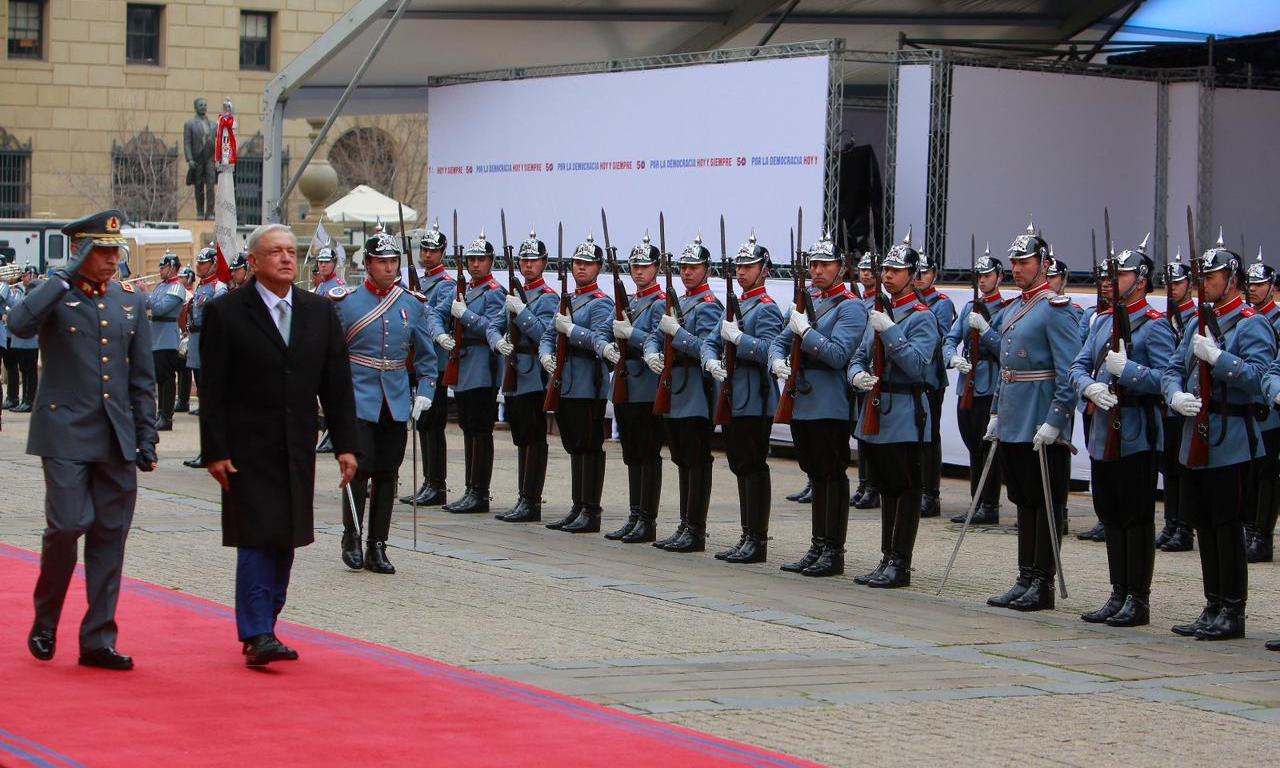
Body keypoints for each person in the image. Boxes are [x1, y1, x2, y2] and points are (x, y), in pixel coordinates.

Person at [199, 223, 358, 666]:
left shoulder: (318, 312)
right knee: (256, 536)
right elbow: (212, 389)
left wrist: (347, 445)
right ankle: (255, 632)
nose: (287, 259)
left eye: (291, 251)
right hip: (246, 446)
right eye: (275, 252)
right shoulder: (227, 313)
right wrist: (215, 449)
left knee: (285, 536)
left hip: (295, 445)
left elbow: (336, 384)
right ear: (253, 261)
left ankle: (267, 619)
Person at [11, 209, 157, 670]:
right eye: (103, 250)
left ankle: (98, 638)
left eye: (116, 250)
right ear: (81, 251)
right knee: (68, 525)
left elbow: (142, 377)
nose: (113, 258)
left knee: (110, 536)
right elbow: (19, 324)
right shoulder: (52, 295)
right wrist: (64, 276)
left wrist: (147, 434)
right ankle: (46, 617)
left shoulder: (128, 302)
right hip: (65, 432)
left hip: (115, 435)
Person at [1166, 232, 1273, 641]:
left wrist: (1220, 358)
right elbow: (1174, 367)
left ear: (1232, 279)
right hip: (1197, 432)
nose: (1204, 282)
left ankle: (1233, 609)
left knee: (1227, 526)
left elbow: (1259, 380)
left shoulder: (1252, 324)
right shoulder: (1197, 320)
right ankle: (1212, 605)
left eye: (1212, 275)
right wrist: (1173, 393)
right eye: (1203, 275)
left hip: (1230, 437)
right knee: (1205, 523)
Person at [1069, 241, 1173, 627]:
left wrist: (1128, 372)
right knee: (1110, 513)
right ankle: (1117, 592)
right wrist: (1088, 386)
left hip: (1136, 432)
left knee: (1136, 515)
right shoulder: (1101, 320)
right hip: (1102, 430)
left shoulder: (1155, 325)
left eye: (1120, 275)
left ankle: (1138, 598)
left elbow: (1167, 379)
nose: (1110, 282)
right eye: (1108, 275)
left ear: (1141, 281)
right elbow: (1077, 365)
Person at [985, 222, 1082, 612]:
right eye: (1014, 261)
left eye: (1024, 261)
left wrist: (1057, 418)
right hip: (1015, 413)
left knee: (1045, 500)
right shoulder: (1016, 307)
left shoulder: (1055, 309)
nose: (1017, 267)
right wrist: (995, 411)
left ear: (1044, 263)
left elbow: (1069, 368)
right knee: (1024, 499)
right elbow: (1006, 367)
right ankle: (1025, 575)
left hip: (1041, 415)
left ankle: (1042, 581)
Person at [329, 231, 436, 573]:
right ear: (368, 264)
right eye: (382, 262)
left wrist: (425, 392)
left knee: (388, 473)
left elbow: (427, 356)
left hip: (395, 398)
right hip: (359, 398)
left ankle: (378, 544)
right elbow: (331, 356)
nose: (389, 268)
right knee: (359, 470)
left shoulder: (411, 303)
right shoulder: (345, 303)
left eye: (394, 262)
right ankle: (353, 537)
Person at [769, 233, 866, 576]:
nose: (818, 270)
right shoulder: (806, 298)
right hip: (803, 400)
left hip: (830, 402)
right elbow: (779, 342)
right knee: (814, 473)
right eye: (813, 264)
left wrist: (806, 332)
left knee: (831, 474)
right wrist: (777, 362)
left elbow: (839, 354)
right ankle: (817, 545)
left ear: (841, 268)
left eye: (825, 264)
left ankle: (833, 550)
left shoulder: (851, 306)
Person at [703, 234, 783, 563]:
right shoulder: (735, 305)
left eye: (748, 266)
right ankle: (746, 534)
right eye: (739, 266)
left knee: (752, 465)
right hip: (734, 395)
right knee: (738, 465)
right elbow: (711, 339)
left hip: (755, 396)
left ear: (764, 270)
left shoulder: (766, 308)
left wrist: (740, 339)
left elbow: (771, 349)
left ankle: (757, 538)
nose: (741, 271)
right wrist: (710, 358)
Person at [642, 236, 722, 552]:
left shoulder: (709, 305)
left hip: (695, 391)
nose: (687, 272)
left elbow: (707, 347)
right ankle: (684, 524)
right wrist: (651, 351)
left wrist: (677, 334)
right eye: (683, 267)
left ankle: (696, 529)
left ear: (707, 270)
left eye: (693, 267)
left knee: (696, 459)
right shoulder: (678, 303)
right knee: (680, 458)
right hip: (674, 388)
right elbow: (653, 335)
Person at [539, 235, 615, 533]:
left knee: (588, 445)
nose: (581, 269)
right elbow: (548, 333)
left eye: (587, 264)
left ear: (598, 268)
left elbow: (599, 339)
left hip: (588, 381)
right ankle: (577, 505)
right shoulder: (568, 299)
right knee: (573, 443)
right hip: (565, 381)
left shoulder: (600, 303)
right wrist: (545, 354)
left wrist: (571, 330)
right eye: (577, 263)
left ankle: (591, 509)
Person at [602, 234, 668, 542]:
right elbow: (606, 333)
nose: (639, 272)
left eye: (645, 266)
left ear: (657, 268)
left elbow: (659, 340)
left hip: (645, 383)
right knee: (631, 451)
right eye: (635, 266)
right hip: (625, 380)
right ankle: (634, 514)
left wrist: (632, 335)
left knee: (647, 451)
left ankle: (647, 519)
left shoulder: (660, 303)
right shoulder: (629, 301)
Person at [494, 230, 557, 523]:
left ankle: (531, 500)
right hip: (515, 369)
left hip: (534, 373)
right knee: (520, 436)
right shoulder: (515, 294)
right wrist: (498, 338)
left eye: (533, 260)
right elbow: (495, 324)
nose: (528, 265)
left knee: (534, 437)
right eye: (523, 260)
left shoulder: (547, 297)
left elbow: (546, 333)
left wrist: (521, 312)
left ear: (544, 263)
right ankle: (523, 496)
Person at [442, 232, 505, 515]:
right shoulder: (465, 289)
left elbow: (492, 327)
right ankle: (470, 488)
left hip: (482, 365)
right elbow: (436, 313)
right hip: (465, 363)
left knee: (480, 430)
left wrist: (464, 314)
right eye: (472, 259)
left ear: (491, 261)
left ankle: (479, 492)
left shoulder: (494, 292)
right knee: (468, 428)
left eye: (481, 259)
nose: (475, 264)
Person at [944, 247, 1008, 525]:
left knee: (987, 449)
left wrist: (986, 330)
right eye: (978, 275)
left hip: (989, 385)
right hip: (966, 384)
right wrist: (953, 357)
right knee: (972, 445)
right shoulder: (970, 307)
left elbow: (1006, 349)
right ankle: (976, 502)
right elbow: (949, 339)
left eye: (987, 275)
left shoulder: (1006, 310)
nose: (982, 280)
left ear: (999, 277)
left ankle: (990, 504)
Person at [402, 222, 457, 507]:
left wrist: (413, 300)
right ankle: (428, 480)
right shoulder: (418, 282)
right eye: (424, 249)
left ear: (442, 253)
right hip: (416, 359)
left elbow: (435, 315)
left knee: (433, 423)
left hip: (435, 360)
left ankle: (438, 484)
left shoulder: (446, 285)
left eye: (432, 251)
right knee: (423, 424)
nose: (427, 255)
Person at [1157, 250, 1197, 553]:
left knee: (1184, 467)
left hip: (1190, 402)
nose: (1172, 288)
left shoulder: (1196, 319)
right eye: (1168, 283)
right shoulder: (1166, 317)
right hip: (1170, 399)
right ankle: (1171, 523)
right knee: (1169, 466)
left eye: (1178, 282)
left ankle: (1184, 526)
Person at [911, 249, 955, 518]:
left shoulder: (940, 302)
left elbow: (937, 336)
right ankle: (915, 489)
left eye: (923, 273)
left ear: (934, 274)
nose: (918, 278)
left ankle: (931, 494)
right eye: (914, 273)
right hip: (909, 376)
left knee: (930, 437)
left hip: (930, 376)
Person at [1243, 249, 1280, 563]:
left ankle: (1262, 536)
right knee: (1249, 471)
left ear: (1273, 287)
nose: (1253, 288)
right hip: (1246, 402)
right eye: (1250, 284)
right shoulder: (1245, 319)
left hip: (1270, 406)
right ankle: (1248, 529)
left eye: (1260, 284)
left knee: (1267, 473)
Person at [183, 246, 226, 468]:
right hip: (197, 344)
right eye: (198, 263)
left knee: (210, 402)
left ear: (213, 264)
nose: (198, 267)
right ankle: (205, 449)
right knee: (203, 399)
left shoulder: (219, 288)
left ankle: (210, 450)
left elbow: (216, 318)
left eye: (203, 263)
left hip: (208, 345)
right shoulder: (202, 287)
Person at [850, 252, 882, 510]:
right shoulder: (857, 300)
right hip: (859, 369)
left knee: (872, 432)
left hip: (877, 372)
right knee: (862, 432)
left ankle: (874, 485)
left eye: (871, 270)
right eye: (862, 269)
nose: (866, 274)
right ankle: (863, 483)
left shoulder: (880, 302)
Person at [144, 251, 186, 431]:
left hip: (167, 337)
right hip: (156, 336)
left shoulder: (176, 287)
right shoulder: (162, 286)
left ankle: (166, 416)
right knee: (159, 376)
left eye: (163, 267)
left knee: (167, 378)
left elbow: (160, 308)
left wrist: (146, 292)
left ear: (172, 268)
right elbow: (148, 305)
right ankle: (160, 412)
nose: (160, 270)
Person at [6, 264, 41, 412]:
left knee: (29, 371)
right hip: (23, 340)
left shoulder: (35, 291)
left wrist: (5, 290)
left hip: (30, 340)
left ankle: (30, 400)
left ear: (32, 275)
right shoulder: (23, 291)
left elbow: (18, 306)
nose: (23, 278)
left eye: (26, 275)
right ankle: (25, 399)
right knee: (24, 369)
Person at [175, 266, 196, 413]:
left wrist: (184, 331)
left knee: (185, 368)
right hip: (184, 333)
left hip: (187, 333)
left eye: (182, 277)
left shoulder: (188, 294)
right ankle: (182, 398)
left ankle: (184, 399)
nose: (179, 280)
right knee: (182, 368)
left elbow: (183, 315)